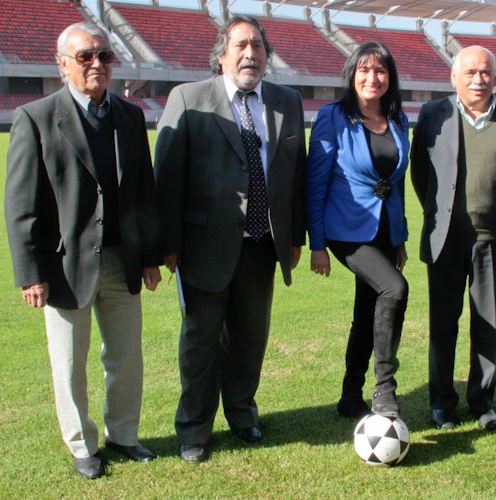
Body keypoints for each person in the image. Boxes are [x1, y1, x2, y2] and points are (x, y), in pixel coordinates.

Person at [4, 22, 161, 479]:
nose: (97, 64)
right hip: (65, 265)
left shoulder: (130, 117)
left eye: (105, 56)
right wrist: (30, 271)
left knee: (127, 357)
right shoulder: (35, 117)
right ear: (63, 64)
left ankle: (125, 436)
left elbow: (143, 193)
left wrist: (150, 254)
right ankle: (81, 446)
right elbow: (21, 204)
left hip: (123, 259)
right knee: (70, 364)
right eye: (85, 56)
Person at [153, 15, 307, 464]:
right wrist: (169, 242)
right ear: (222, 54)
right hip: (204, 245)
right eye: (240, 45)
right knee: (201, 340)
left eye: (258, 46)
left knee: (250, 338)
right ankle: (194, 429)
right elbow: (167, 176)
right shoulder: (188, 97)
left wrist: (294, 236)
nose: (250, 54)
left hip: (262, 244)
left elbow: (293, 175)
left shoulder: (286, 101)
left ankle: (242, 413)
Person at [410, 46, 496, 431]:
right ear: (454, 78)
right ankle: (442, 404)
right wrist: (440, 215)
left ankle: (482, 402)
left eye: (485, 73)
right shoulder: (434, 115)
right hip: (445, 240)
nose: (478, 79)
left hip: (493, 242)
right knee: (443, 325)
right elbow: (420, 174)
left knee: (487, 325)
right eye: (470, 72)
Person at [307, 42, 410, 419]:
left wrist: (399, 236)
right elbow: (315, 184)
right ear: (352, 74)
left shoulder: (398, 120)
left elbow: (396, 183)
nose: (372, 78)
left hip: (385, 230)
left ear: (389, 78)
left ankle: (351, 396)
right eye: (364, 70)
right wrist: (317, 244)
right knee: (395, 289)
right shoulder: (332, 117)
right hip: (345, 230)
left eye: (380, 71)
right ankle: (385, 389)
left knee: (367, 310)